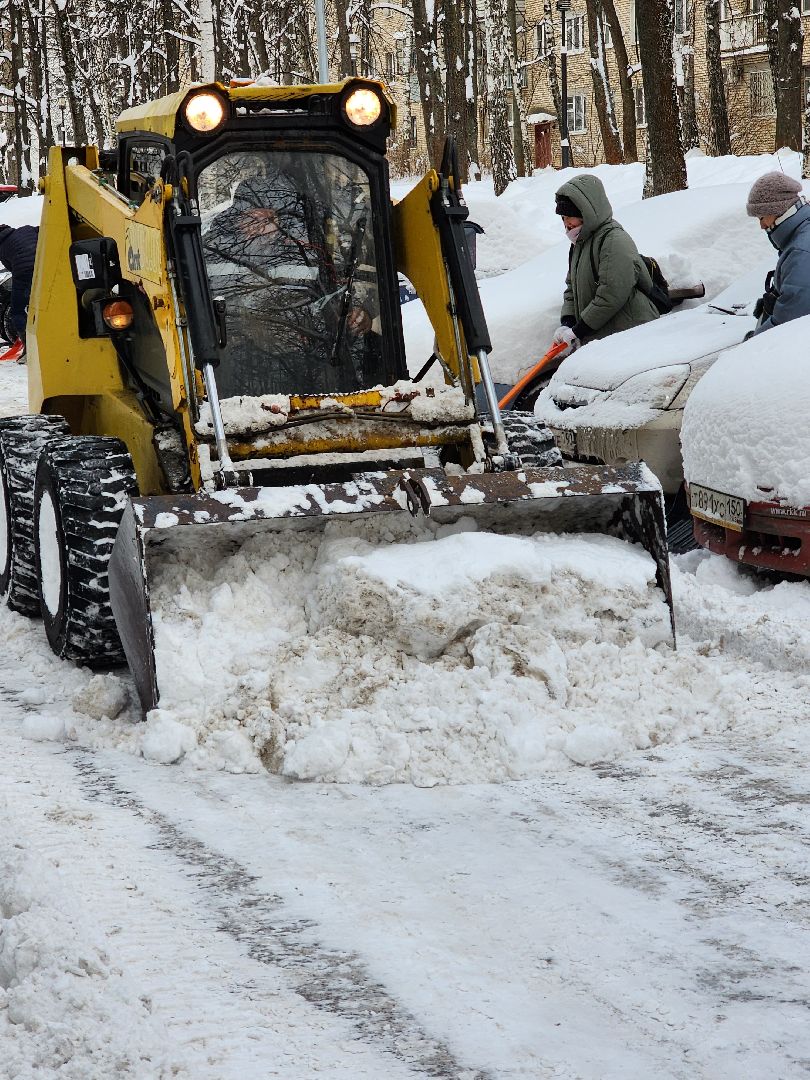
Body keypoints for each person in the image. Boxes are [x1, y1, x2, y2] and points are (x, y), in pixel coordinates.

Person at [202, 167, 380, 398]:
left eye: (270, 218)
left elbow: (338, 292)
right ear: (238, 219)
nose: (263, 227)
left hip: (309, 362)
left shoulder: (306, 253)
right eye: (253, 217)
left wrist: (360, 314)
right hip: (231, 366)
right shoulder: (210, 252)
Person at [551, 174, 659, 355]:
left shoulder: (613, 240)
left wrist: (580, 329)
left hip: (631, 335)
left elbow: (611, 293)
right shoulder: (580, 242)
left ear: (586, 212)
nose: (566, 222)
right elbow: (572, 287)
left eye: (570, 216)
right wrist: (568, 322)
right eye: (562, 217)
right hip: (604, 337)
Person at [745, 172, 810, 336]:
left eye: (761, 217)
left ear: (778, 210)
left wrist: (750, 347)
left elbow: (786, 325)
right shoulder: (800, 237)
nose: (761, 225)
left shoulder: (801, 253)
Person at [0, 222, 38, 363]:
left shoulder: (2, 247)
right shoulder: (27, 229)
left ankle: (30, 351)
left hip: (24, 274)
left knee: (18, 311)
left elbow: (11, 269)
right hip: (45, 267)